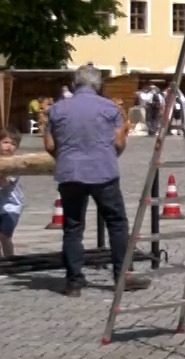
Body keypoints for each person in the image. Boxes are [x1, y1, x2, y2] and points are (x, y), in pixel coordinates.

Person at [42, 65, 138, 298]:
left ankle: (74, 280)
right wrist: (110, 156)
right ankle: (121, 276)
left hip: (70, 173)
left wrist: (65, 158)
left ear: (75, 84)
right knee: (116, 223)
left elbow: (49, 145)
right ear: (98, 85)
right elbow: (118, 142)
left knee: (73, 227)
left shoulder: (57, 109)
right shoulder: (109, 108)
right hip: (103, 172)